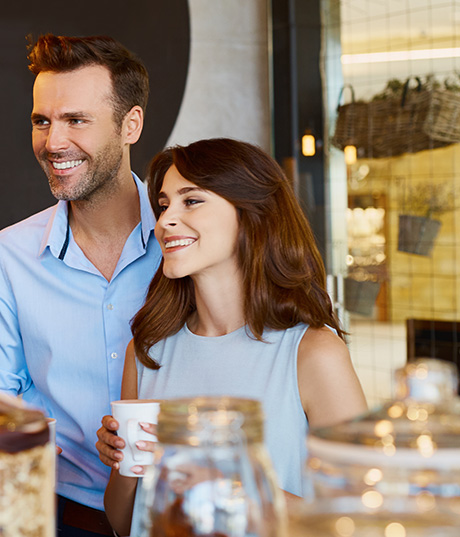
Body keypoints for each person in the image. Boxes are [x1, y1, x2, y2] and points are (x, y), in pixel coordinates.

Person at [94, 138, 368, 536]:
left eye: (191, 201)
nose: (165, 220)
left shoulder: (312, 353)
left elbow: (357, 520)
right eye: (164, 204)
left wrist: (223, 480)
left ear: (252, 214)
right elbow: (124, 523)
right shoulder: (147, 350)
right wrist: (127, 463)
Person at [0, 34, 158, 536]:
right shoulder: (9, 255)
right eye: (42, 121)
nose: (53, 142)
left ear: (130, 125)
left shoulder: (185, 243)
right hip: (63, 516)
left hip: (183, 509)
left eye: (76, 120)